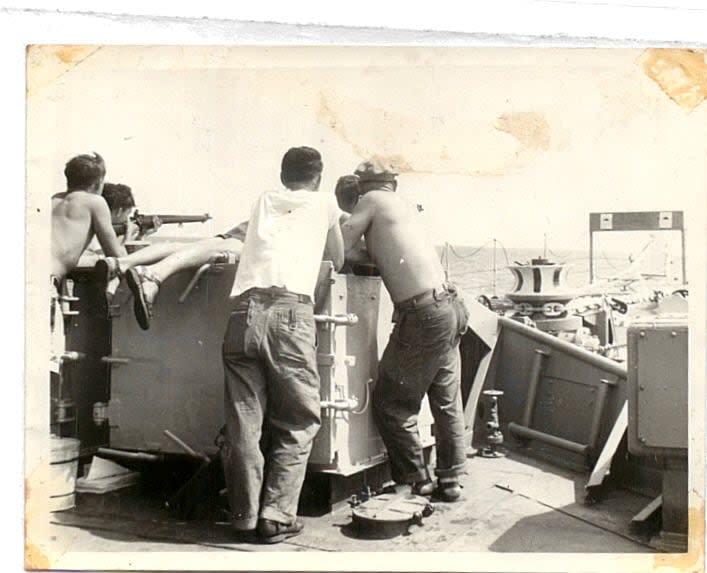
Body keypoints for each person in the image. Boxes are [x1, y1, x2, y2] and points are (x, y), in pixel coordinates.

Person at [221, 146, 344, 544]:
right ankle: (276, 516)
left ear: (282, 173)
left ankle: (242, 515)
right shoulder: (326, 202)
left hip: (244, 312)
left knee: (244, 422)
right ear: (319, 177)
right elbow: (338, 259)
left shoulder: (262, 200)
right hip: (291, 314)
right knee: (298, 419)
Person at [339, 159, 470, 502]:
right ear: (392, 183)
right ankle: (451, 480)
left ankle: (416, 479)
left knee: (390, 402)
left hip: (424, 314)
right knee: (445, 401)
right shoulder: (403, 206)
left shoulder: (371, 201)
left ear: (364, 186)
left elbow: (338, 247)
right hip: (451, 306)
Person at [51, 153, 127, 372]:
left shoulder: (53, 200)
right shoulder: (95, 202)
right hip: (46, 284)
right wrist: (128, 236)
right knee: (50, 364)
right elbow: (117, 255)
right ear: (98, 182)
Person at [94, 222, 247, 330]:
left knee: (189, 247)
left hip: (246, 229)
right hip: (252, 236)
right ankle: (152, 275)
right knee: (227, 246)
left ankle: (120, 264)